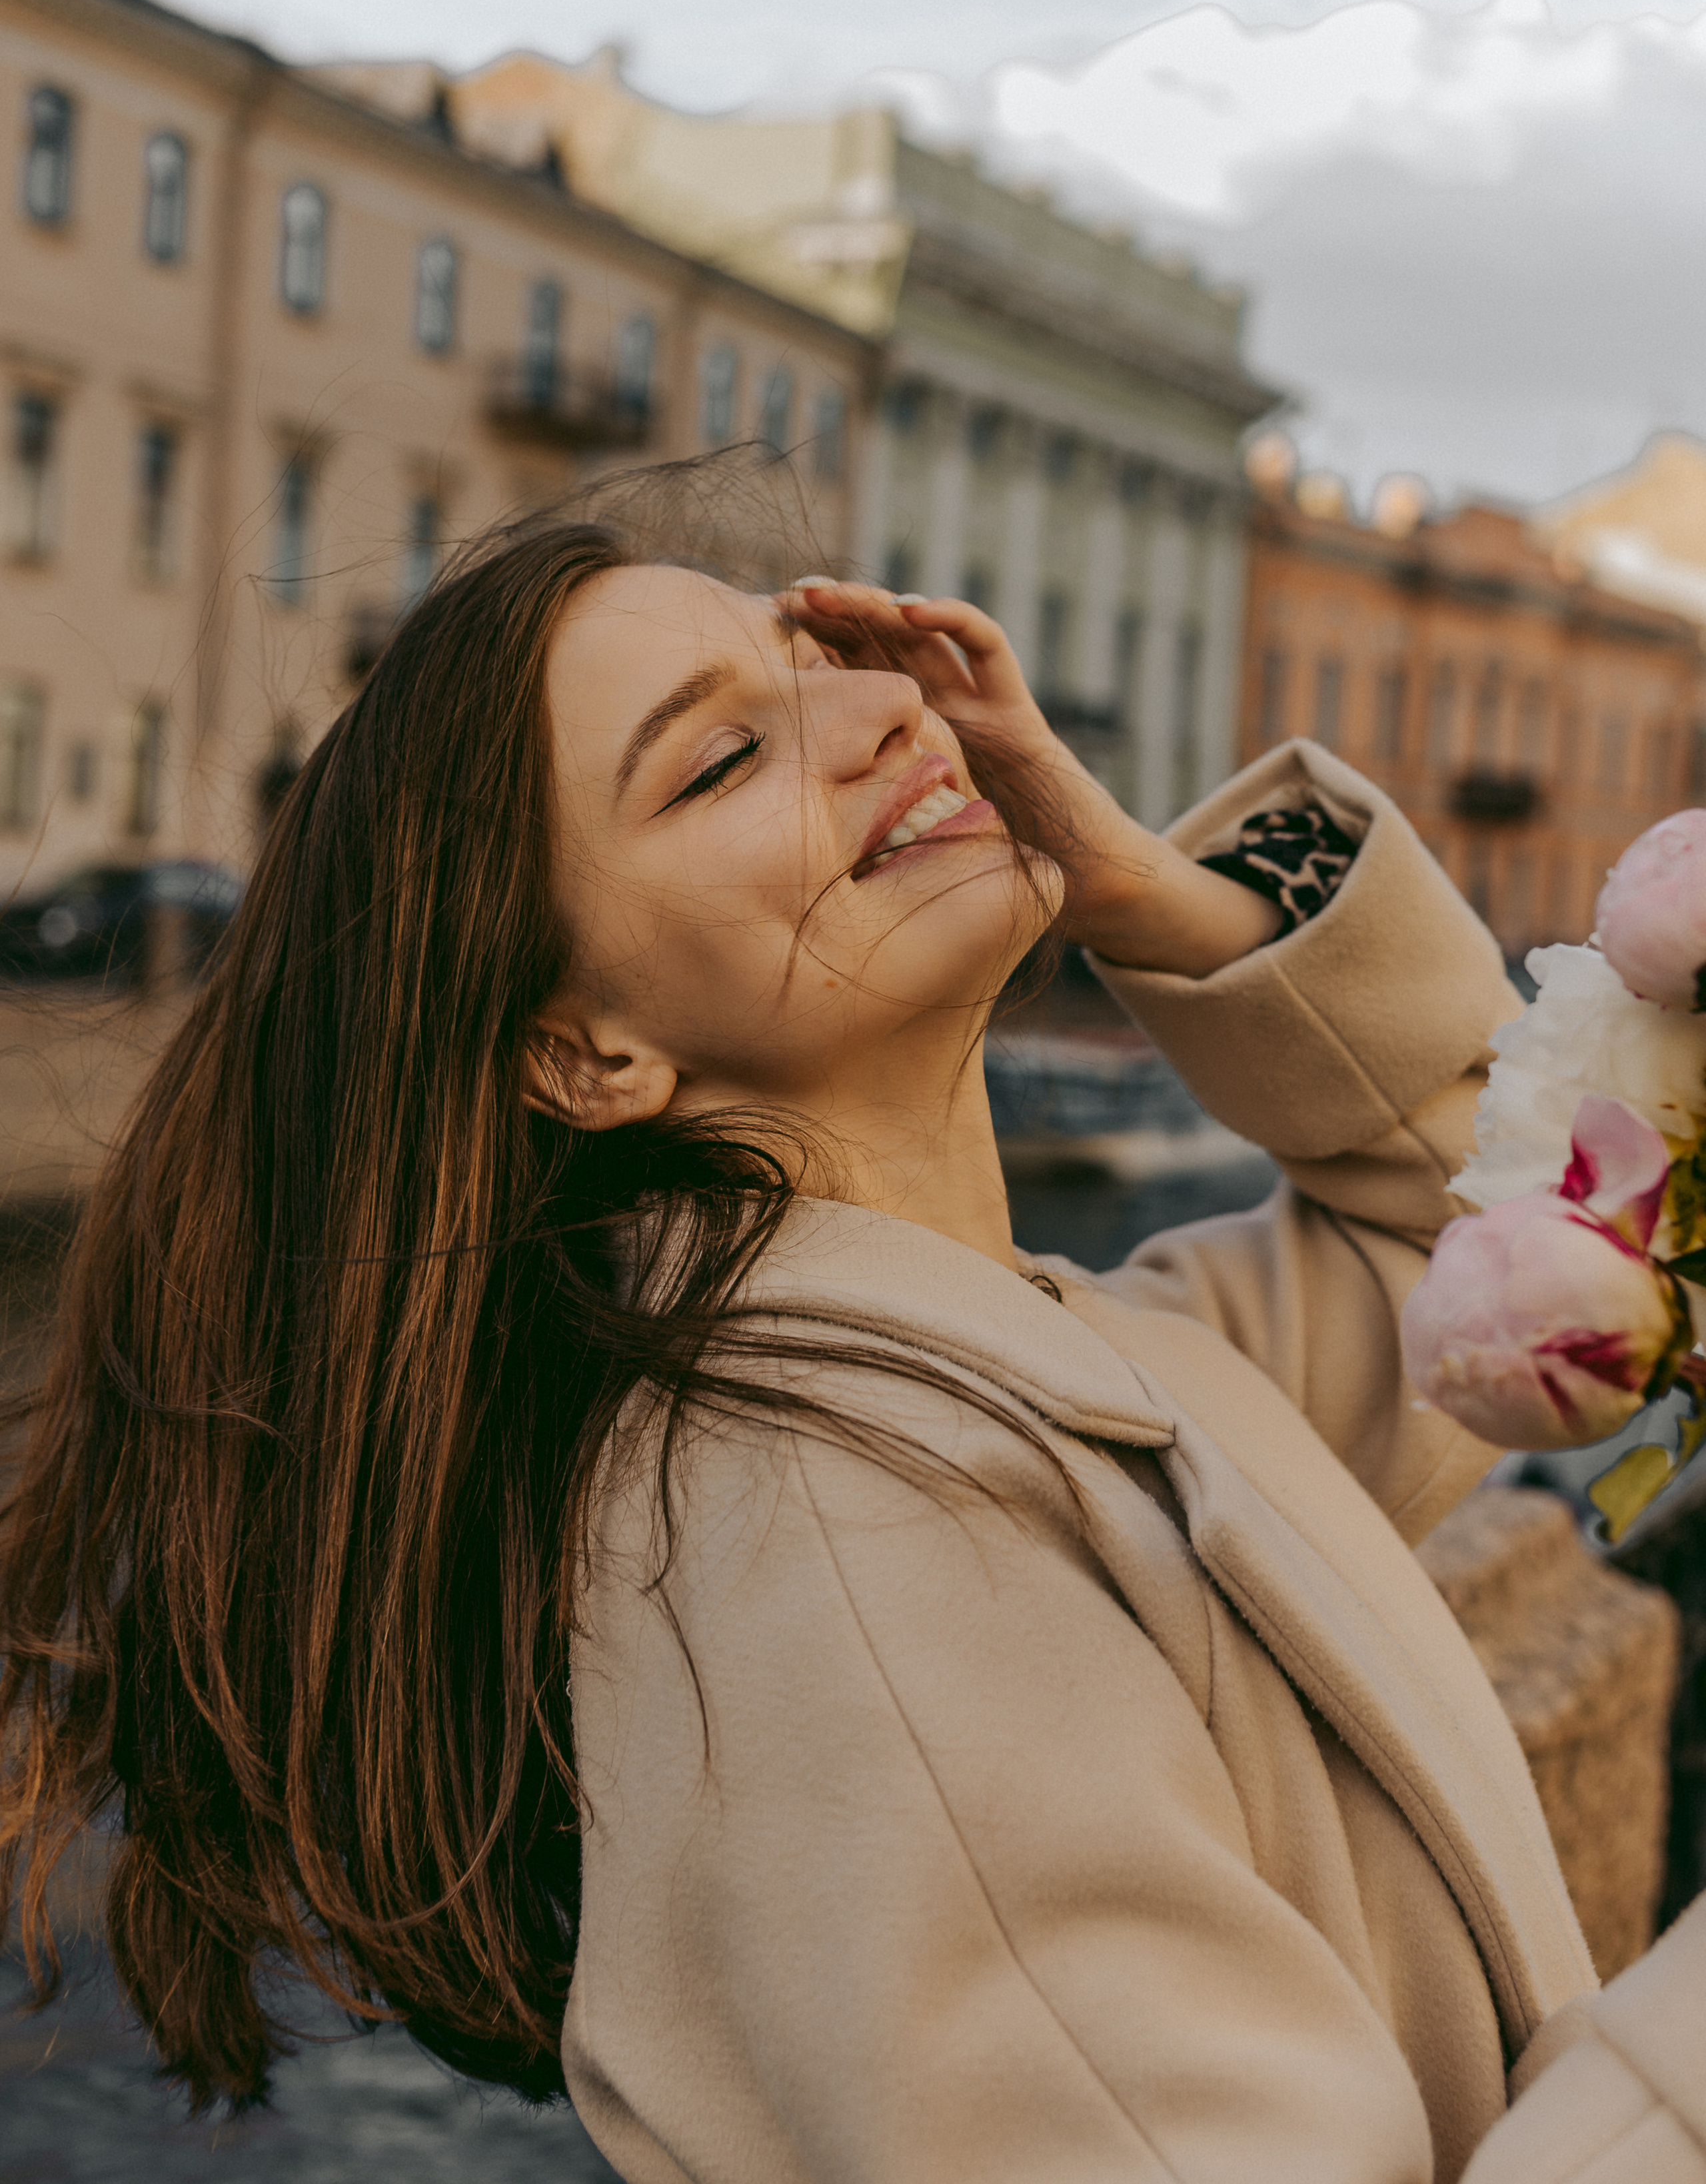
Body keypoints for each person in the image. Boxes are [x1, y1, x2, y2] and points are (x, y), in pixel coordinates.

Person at [3, 500, 1703, 2183]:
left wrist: (1159, 895)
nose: (892, 706)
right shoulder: (847, 1523)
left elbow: (1521, 1245)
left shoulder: (1043, 1368)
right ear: (587, 1053)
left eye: (816, 661)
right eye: (718, 763)